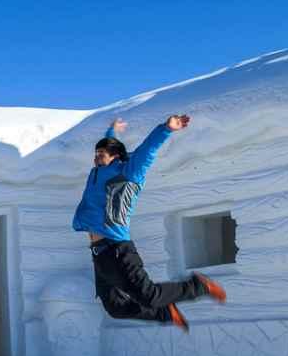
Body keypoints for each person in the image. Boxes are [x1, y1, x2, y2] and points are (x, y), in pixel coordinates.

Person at [72, 115, 226, 332]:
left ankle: (198, 286)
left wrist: (167, 128)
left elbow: (147, 150)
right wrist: (112, 131)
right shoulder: (97, 172)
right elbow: (109, 145)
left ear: (115, 156)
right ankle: (165, 313)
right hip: (99, 254)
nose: (96, 158)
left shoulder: (128, 172)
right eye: (95, 154)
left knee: (149, 295)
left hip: (118, 249)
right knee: (115, 307)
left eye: (101, 155)